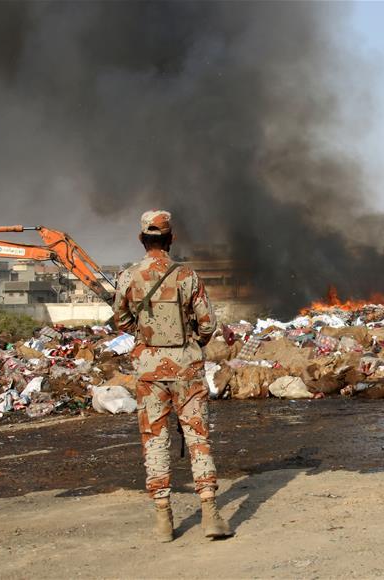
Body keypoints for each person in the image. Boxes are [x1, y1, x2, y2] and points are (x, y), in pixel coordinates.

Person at [112, 210, 232, 542]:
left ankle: (164, 520)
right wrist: (191, 342)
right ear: (171, 238)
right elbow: (208, 324)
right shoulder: (187, 276)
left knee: (155, 440)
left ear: (141, 239)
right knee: (198, 439)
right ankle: (210, 515)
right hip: (187, 369)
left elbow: (120, 321)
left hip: (149, 370)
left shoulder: (128, 277)